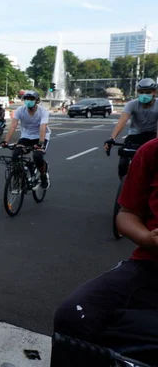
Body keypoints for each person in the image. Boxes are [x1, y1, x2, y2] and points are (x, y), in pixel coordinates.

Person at [51, 136, 158, 366]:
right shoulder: (151, 152)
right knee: (73, 315)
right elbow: (127, 215)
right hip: (150, 263)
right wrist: (147, 238)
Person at [104, 78, 158, 179]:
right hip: (135, 135)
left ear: (154, 92)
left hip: (153, 135)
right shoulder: (132, 104)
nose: (144, 94)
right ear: (137, 92)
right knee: (123, 163)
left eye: (148, 92)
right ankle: (124, 185)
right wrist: (112, 138)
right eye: (141, 92)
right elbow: (122, 121)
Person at [1, 90, 51, 189]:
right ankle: (20, 177)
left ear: (37, 101)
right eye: (26, 99)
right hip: (26, 136)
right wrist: (6, 141)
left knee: (37, 156)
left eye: (31, 99)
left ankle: (43, 176)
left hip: (41, 136)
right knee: (15, 154)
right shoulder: (20, 110)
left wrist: (40, 143)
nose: (28, 101)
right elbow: (13, 126)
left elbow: (43, 127)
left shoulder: (43, 111)